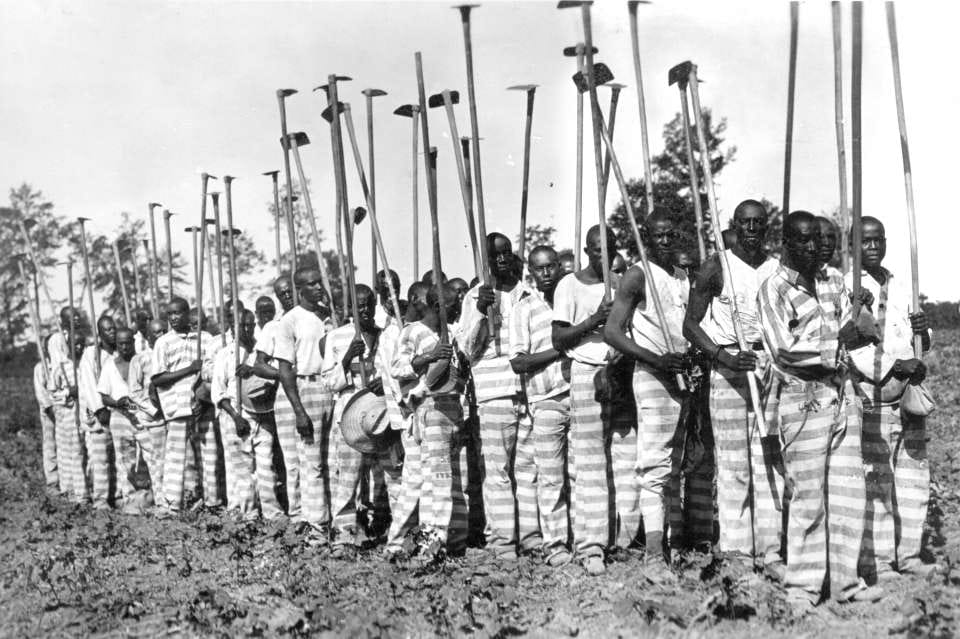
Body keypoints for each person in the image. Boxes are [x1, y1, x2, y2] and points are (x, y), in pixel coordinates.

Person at [757, 210, 879, 608]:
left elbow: (857, 330)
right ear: (786, 244)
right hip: (803, 396)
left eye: (817, 239)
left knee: (848, 491)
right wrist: (840, 343)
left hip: (842, 392)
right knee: (808, 496)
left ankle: (847, 584)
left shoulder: (833, 281)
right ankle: (804, 588)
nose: (813, 247)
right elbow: (784, 350)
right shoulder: (773, 288)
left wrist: (859, 314)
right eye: (804, 240)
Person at [682, 199, 783, 573]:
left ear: (766, 227)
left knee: (768, 460)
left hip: (768, 366)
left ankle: (770, 550)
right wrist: (722, 357)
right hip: (728, 368)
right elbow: (690, 325)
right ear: (735, 226)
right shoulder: (717, 266)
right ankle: (737, 551)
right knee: (733, 464)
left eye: (758, 223)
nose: (752, 229)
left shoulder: (777, 269)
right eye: (745, 223)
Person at [605, 210, 698, 571]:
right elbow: (613, 332)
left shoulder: (681, 276)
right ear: (646, 238)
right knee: (654, 465)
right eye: (658, 235)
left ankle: (675, 543)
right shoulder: (637, 274)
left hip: (682, 376)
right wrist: (656, 359)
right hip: (653, 375)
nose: (666, 241)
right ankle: (654, 555)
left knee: (676, 463)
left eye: (671, 234)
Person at [846, 216, 937, 581]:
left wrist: (923, 335)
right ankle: (880, 561)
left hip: (909, 393)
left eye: (878, 240)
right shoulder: (849, 288)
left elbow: (919, 334)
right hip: (875, 393)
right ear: (852, 246)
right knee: (878, 478)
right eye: (865, 241)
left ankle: (909, 554)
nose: (873, 247)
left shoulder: (900, 284)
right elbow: (854, 346)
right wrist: (895, 366)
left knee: (914, 475)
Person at [459, 232, 537, 560]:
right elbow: (466, 349)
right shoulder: (476, 295)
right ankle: (503, 542)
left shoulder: (527, 292)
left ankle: (531, 538)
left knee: (528, 468)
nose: (502, 259)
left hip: (529, 389)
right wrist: (480, 311)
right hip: (494, 393)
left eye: (506, 253)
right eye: (495, 255)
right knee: (498, 471)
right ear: (485, 261)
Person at [552, 224, 617, 575]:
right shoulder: (569, 285)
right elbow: (559, 338)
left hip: (619, 370)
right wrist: (595, 320)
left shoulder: (620, 283)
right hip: (586, 371)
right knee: (590, 460)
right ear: (587, 250)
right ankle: (591, 546)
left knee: (621, 459)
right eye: (597, 249)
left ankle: (622, 537)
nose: (603, 255)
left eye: (610, 248)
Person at [389, 283, 469, 559]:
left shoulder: (451, 333)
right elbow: (397, 368)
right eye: (453, 306)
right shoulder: (413, 331)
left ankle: (446, 541)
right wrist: (429, 357)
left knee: (445, 479)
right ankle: (430, 545)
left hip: (452, 409)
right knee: (437, 480)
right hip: (429, 409)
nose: (457, 310)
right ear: (438, 307)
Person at [322, 284, 402, 556]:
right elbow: (328, 383)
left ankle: (398, 533)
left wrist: (386, 384)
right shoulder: (336, 337)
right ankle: (343, 536)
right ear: (350, 308)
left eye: (368, 304)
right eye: (359, 306)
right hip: (351, 413)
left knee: (393, 474)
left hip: (382, 413)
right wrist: (346, 359)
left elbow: (399, 371)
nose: (365, 310)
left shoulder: (387, 334)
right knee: (348, 477)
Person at [510, 246, 572, 566]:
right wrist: (559, 351)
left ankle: (583, 540)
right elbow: (518, 362)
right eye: (539, 268)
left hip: (579, 394)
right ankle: (556, 545)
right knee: (550, 477)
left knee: (579, 474)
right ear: (530, 272)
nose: (546, 273)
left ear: (559, 266)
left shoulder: (570, 297)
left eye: (551, 266)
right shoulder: (524, 309)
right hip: (545, 399)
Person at [274, 267, 335, 538]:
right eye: (312, 284)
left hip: (331, 387)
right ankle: (315, 526)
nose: (319, 287)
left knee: (331, 459)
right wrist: (299, 411)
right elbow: (285, 369)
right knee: (311, 462)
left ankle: (333, 522)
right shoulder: (290, 321)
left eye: (319, 282)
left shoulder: (327, 316)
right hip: (306, 386)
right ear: (300, 290)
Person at [214, 309, 283, 520]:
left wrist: (253, 371)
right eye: (242, 325)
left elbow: (274, 378)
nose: (246, 329)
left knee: (266, 466)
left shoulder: (261, 353)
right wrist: (236, 417)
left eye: (250, 325)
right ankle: (248, 514)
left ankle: (272, 514)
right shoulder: (226, 354)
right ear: (233, 327)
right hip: (236, 416)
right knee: (243, 470)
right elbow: (218, 393)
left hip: (262, 413)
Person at [151, 297, 216, 514]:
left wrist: (202, 396)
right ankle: (171, 505)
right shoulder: (163, 343)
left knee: (209, 454)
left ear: (188, 314)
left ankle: (212, 502)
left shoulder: (205, 339)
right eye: (170, 314)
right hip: (177, 407)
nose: (173, 318)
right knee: (176, 457)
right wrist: (189, 369)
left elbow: (211, 370)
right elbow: (158, 378)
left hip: (203, 404)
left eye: (178, 313)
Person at [97, 328, 153, 512]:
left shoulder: (144, 361)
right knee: (124, 460)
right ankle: (130, 501)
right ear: (117, 344)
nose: (124, 347)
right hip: (119, 416)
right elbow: (104, 397)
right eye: (120, 344)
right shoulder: (109, 366)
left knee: (151, 455)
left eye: (128, 343)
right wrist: (116, 402)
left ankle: (153, 497)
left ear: (133, 342)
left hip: (142, 414)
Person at [126, 319, 168, 507]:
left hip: (169, 418)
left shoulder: (169, 353)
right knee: (154, 462)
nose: (160, 336)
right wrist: (153, 409)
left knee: (168, 462)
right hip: (149, 420)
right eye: (156, 333)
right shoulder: (140, 359)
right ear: (148, 337)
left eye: (163, 332)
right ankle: (160, 502)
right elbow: (134, 392)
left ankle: (170, 500)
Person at [78, 315, 118, 509]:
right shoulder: (91, 354)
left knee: (119, 457)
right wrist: (100, 409)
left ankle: (118, 495)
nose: (112, 332)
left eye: (113, 328)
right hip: (100, 413)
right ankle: (101, 499)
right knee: (100, 458)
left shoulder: (119, 352)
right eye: (107, 330)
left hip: (118, 411)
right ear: (99, 334)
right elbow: (88, 384)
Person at [47, 330, 88, 503]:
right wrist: (68, 393)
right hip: (69, 415)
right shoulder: (61, 367)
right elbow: (52, 395)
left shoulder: (85, 364)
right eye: (74, 344)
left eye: (81, 344)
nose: (78, 347)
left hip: (85, 414)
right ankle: (76, 493)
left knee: (85, 453)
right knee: (73, 453)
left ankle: (85, 489)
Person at [33, 335, 58, 494]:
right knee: (50, 444)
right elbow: (41, 393)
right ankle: (53, 481)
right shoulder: (41, 367)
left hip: (65, 410)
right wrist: (50, 407)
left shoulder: (61, 364)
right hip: (49, 412)